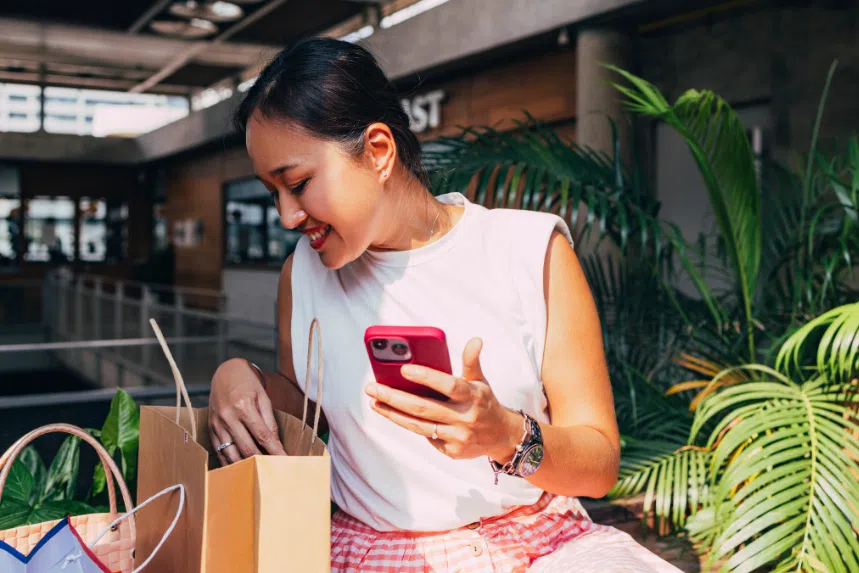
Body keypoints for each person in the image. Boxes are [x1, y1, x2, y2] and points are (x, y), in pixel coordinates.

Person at [209, 38, 682, 572]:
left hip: (538, 552)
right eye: (273, 193)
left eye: (297, 184)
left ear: (379, 151)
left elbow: (598, 466)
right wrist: (238, 374)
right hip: (368, 555)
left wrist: (506, 435)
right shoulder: (303, 273)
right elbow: (305, 417)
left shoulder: (530, 251)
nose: (288, 216)